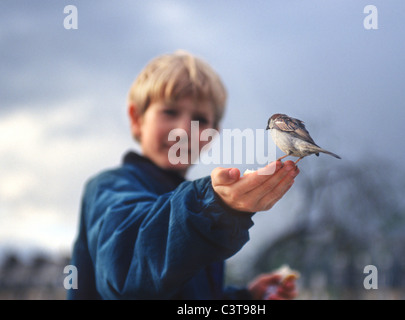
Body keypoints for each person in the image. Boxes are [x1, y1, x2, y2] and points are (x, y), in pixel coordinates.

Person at [68, 50, 299, 300]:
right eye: (169, 112)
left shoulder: (198, 212)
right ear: (136, 119)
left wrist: (245, 299)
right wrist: (210, 207)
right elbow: (128, 271)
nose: (183, 130)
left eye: (199, 119)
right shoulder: (107, 189)